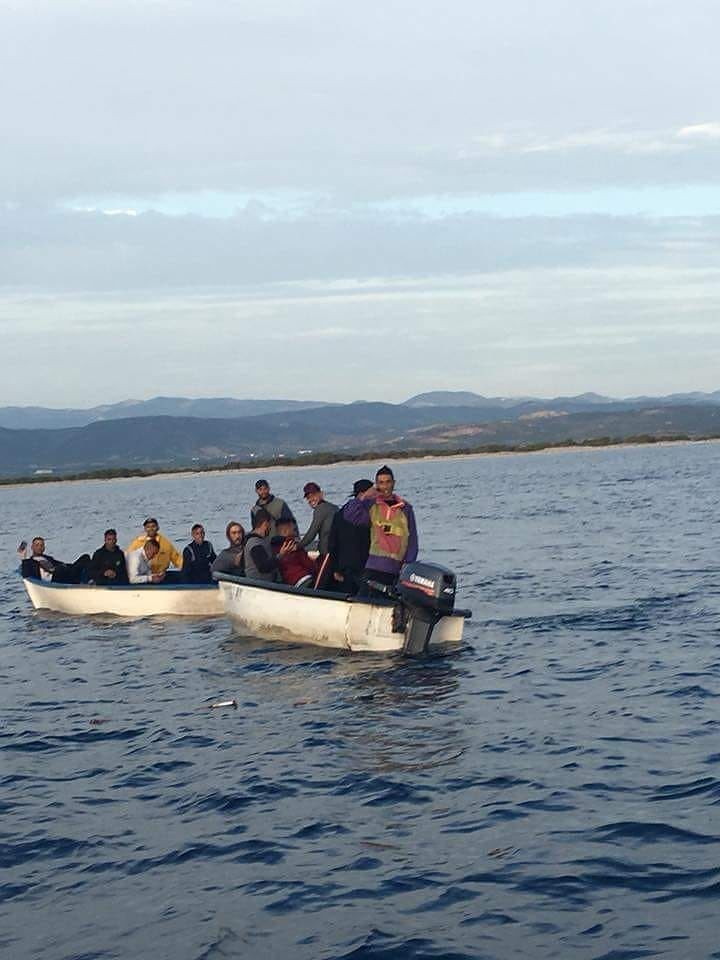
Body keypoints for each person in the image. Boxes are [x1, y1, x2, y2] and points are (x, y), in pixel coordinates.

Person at [343, 465, 418, 591]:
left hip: (397, 570)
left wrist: (408, 565)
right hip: (374, 568)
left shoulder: (406, 508)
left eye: (388, 482)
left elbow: (412, 540)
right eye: (381, 483)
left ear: (394, 483)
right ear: (376, 485)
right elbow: (349, 515)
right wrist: (365, 496)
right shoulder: (371, 505)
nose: (385, 486)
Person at [328, 479, 373, 594]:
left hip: (345, 564)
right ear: (362, 494)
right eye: (372, 492)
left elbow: (332, 543)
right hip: (361, 564)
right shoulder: (369, 513)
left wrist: (335, 568)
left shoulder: (340, 513)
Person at [298, 482, 338, 588]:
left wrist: (297, 547)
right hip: (335, 553)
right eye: (308, 498)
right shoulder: (334, 507)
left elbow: (312, 533)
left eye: (313, 496)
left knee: (318, 585)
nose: (311, 499)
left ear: (321, 494)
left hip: (328, 553)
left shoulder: (321, 509)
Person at [243, 508, 294, 582]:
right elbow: (264, 567)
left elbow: (273, 540)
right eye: (270, 524)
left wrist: (289, 539)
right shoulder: (255, 543)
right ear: (265, 524)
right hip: (260, 584)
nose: (270, 527)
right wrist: (281, 555)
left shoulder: (264, 539)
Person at [18, 537, 91, 584]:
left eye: (41, 545)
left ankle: (92, 579)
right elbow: (26, 575)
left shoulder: (47, 557)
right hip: (56, 578)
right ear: (32, 547)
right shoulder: (30, 562)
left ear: (44, 548)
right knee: (84, 561)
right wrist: (23, 557)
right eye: (37, 545)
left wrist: (67, 566)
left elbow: (59, 563)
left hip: (65, 572)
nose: (39, 547)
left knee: (85, 557)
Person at [271, 518, 318, 588]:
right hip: (304, 579)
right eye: (294, 530)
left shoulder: (273, 547)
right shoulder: (293, 545)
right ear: (285, 531)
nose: (296, 533)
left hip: (290, 583)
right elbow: (309, 565)